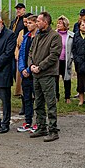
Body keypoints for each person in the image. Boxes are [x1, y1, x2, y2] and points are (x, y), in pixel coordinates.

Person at [28, 11, 62, 142]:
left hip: (47, 74)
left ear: (45, 22)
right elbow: (31, 52)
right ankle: (41, 127)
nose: (36, 23)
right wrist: (31, 65)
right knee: (38, 102)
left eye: (38, 21)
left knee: (50, 102)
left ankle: (53, 130)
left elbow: (54, 55)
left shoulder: (54, 36)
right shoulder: (37, 36)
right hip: (36, 74)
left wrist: (40, 67)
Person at [17, 14, 38, 132]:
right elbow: (21, 54)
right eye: (26, 23)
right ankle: (28, 121)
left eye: (30, 23)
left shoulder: (39, 37)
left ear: (36, 24)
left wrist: (29, 69)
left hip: (35, 72)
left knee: (38, 98)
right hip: (24, 72)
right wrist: (22, 69)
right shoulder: (26, 37)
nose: (27, 25)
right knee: (27, 98)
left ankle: (38, 122)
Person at [55, 15, 74, 103]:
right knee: (55, 78)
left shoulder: (71, 35)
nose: (58, 25)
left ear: (65, 25)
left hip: (66, 60)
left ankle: (67, 97)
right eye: (58, 23)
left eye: (60, 23)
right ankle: (56, 96)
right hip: (56, 60)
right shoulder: (54, 34)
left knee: (67, 78)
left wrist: (71, 58)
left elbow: (73, 48)